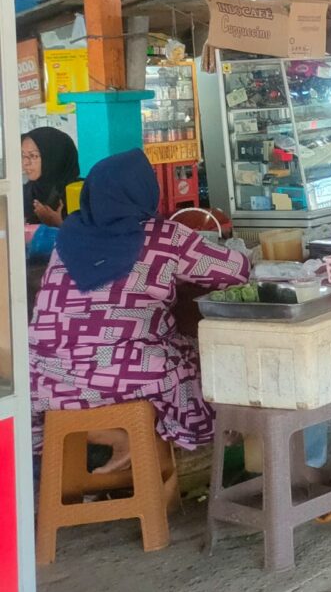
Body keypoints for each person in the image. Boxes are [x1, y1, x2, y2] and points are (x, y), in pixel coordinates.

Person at [30, 150, 250, 464]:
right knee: (195, 360)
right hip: (119, 378)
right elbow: (237, 271)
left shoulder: (68, 237)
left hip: (45, 383)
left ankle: (113, 437)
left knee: (158, 350)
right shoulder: (165, 237)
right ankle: (194, 444)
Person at [21, 127, 78, 228]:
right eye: (22, 155)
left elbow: (94, 235)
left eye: (33, 156)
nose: (25, 163)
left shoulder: (81, 193)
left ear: (54, 158)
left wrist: (58, 224)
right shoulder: (23, 193)